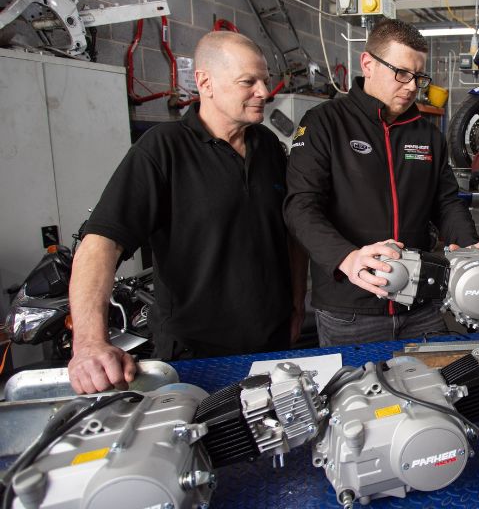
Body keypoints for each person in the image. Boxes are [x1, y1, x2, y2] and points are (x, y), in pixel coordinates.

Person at [68, 31, 307, 394]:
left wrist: (295, 304)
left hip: (272, 342)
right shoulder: (162, 149)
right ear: (205, 82)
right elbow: (101, 244)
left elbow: (290, 233)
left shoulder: (269, 146)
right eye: (249, 82)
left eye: (265, 80)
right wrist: (89, 343)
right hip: (196, 353)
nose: (264, 92)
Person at [285, 18, 479, 347]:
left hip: (422, 304)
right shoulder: (325, 124)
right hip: (350, 311)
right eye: (402, 73)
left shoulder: (426, 134)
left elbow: (446, 202)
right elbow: (301, 207)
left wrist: (468, 248)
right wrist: (346, 258)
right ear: (368, 63)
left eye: (419, 77)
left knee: (434, 392)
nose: (411, 86)